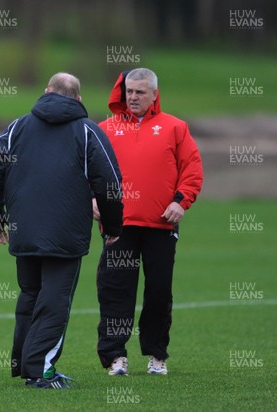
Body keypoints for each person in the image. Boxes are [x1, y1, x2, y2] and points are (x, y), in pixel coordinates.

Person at [0, 72, 123, 389]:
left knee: (30, 296)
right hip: (66, 233)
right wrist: (112, 225)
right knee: (55, 301)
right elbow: (110, 182)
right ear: (79, 99)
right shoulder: (88, 131)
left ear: (47, 92)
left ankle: (25, 365)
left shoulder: (18, 127)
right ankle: (40, 371)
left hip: (24, 229)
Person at [94, 68, 203, 376]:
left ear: (155, 94)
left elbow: (192, 170)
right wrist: (93, 198)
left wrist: (180, 202)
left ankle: (157, 355)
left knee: (158, 292)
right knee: (115, 291)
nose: (133, 97)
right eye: (129, 91)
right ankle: (115, 356)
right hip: (119, 227)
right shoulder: (105, 129)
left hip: (161, 226)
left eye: (140, 92)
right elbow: (88, 171)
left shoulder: (175, 128)